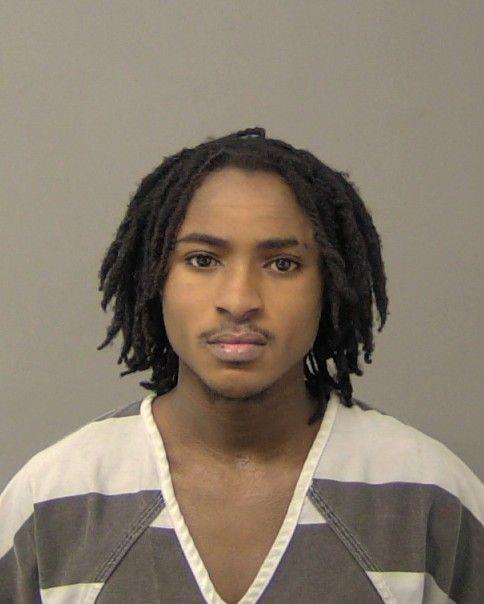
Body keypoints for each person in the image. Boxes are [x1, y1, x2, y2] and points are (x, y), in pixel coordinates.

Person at [0, 127, 482, 603]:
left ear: (330, 284)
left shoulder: (426, 493)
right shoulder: (55, 497)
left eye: (282, 264)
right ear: (154, 277)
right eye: (202, 260)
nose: (239, 300)